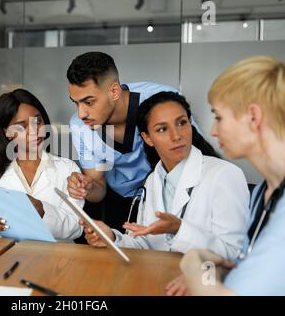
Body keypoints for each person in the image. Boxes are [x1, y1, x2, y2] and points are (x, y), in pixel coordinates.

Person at [82, 91, 250, 261]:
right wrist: (111, 237)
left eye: (182, 123)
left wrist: (178, 229)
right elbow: (146, 245)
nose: (176, 136)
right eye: (162, 129)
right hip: (160, 280)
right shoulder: (152, 180)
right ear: (147, 138)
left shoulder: (225, 175)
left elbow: (234, 255)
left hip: (203, 283)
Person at [173, 56, 285, 295]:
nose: (213, 130)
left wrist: (195, 264)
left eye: (219, 116)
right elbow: (244, 270)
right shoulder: (264, 193)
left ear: (253, 117)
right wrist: (211, 274)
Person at [66, 51, 193, 231]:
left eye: (89, 102)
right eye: (76, 103)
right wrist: (86, 187)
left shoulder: (163, 100)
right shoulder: (79, 125)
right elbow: (98, 188)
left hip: (171, 195)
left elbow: (195, 159)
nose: (81, 114)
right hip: (121, 203)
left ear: (114, 91)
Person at [0, 89, 83, 242]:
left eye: (38, 121)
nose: (35, 132)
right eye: (22, 127)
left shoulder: (68, 170)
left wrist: (42, 210)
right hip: (8, 259)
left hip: (58, 261)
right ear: (7, 132)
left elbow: (77, 227)